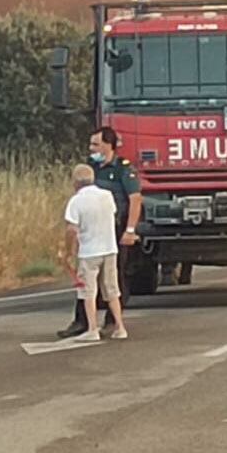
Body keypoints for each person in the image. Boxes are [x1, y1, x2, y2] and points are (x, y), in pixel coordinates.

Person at [58, 126, 144, 338]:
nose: (91, 148)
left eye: (96, 144)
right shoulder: (91, 169)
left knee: (116, 278)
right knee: (86, 280)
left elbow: (135, 200)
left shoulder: (124, 170)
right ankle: (82, 322)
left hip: (115, 230)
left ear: (109, 145)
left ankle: (112, 322)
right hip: (91, 232)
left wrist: (130, 229)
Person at [63, 164, 127, 341]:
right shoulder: (107, 196)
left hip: (89, 251)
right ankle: (120, 327)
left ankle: (92, 329)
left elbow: (71, 229)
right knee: (112, 289)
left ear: (75, 182)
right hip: (109, 248)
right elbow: (113, 215)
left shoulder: (76, 201)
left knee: (88, 291)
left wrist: (69, 251)